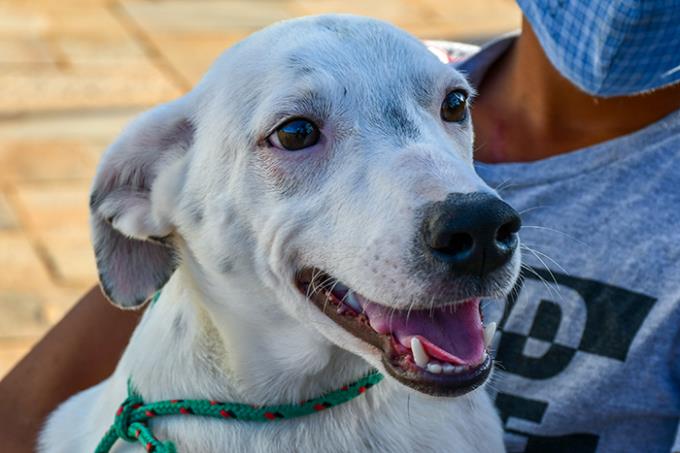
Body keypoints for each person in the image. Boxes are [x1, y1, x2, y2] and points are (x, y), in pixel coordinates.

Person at [2, 1, 679, 451]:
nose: (465, 204)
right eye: (297, 132)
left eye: (451, 109)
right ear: (152, 205)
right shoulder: (409, 64)